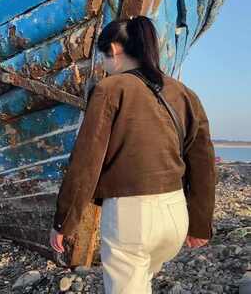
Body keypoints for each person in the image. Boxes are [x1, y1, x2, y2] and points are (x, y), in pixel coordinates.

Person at [49, 15, 216, 293]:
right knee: (141, 281)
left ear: (114, 50)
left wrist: (64, 221)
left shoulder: (111, 88)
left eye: (102, 57)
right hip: (175, 214)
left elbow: (86, 162)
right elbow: (203, 163)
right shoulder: (184, 93)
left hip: (133, 219)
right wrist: (200, 223)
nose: (102, 65)